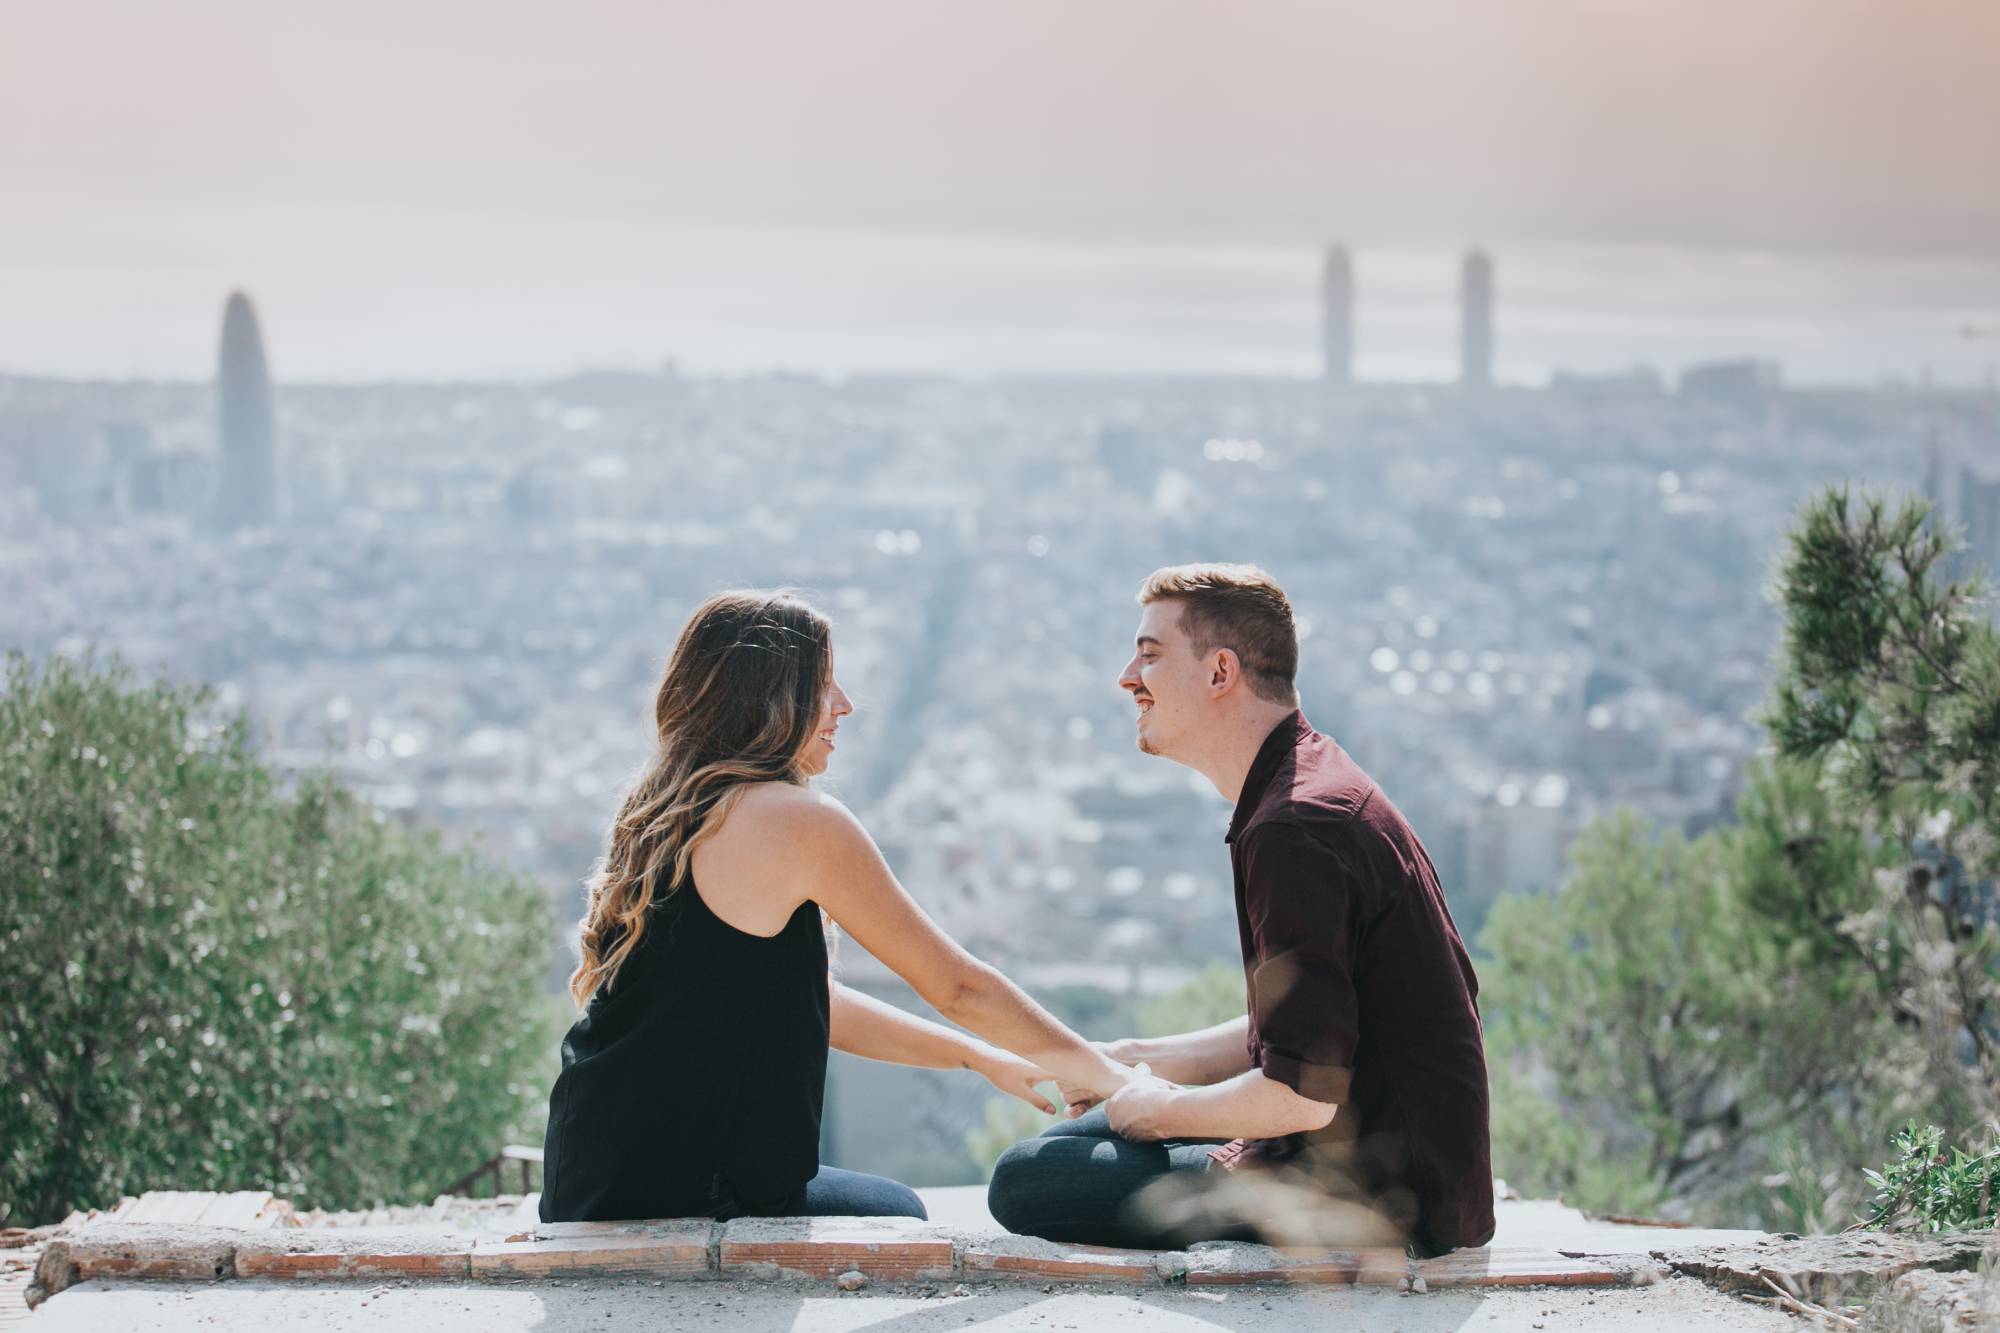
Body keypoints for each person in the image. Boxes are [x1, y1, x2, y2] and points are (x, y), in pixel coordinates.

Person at [539, 590, 1135, 1223]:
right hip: (695, 1189)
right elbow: (958, 984)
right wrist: (1113, 1081)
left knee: (892, 1207)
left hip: (594, 1171)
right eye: (822, 685)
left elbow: (805, 998)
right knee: (901, 1216)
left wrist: (979, 1056)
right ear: (765, 701)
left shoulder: (664, 810)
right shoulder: (796, 820)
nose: (845, 704)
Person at [986, 563, 1496, 1257]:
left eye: (1151, 654)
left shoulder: (1292, 827)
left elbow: (1302, 1094)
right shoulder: (1306, 784)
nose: (1127, 675)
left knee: (1028, 1180)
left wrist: (1161, 1110)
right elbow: (1306, 1030)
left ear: (1220, 672)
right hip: (1420, 1178)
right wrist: (1135, 1060)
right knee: (1073, 1140)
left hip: (1376, 1199)